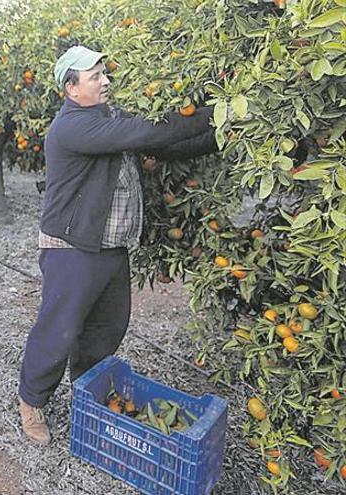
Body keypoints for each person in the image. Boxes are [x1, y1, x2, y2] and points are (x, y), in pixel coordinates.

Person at [18, 46, 218, 444]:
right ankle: (31, 400)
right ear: (72, 89)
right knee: (59, 328)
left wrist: (222, 134)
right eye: (96, 76)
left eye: (104, 74)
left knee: (108, 327)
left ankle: (85, 394)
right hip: (72, 246)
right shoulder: (72, 126)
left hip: (110, 245)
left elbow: (169, 146)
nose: (106, 80)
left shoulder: (111, 117)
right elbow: (154, 131)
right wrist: (219, 108)